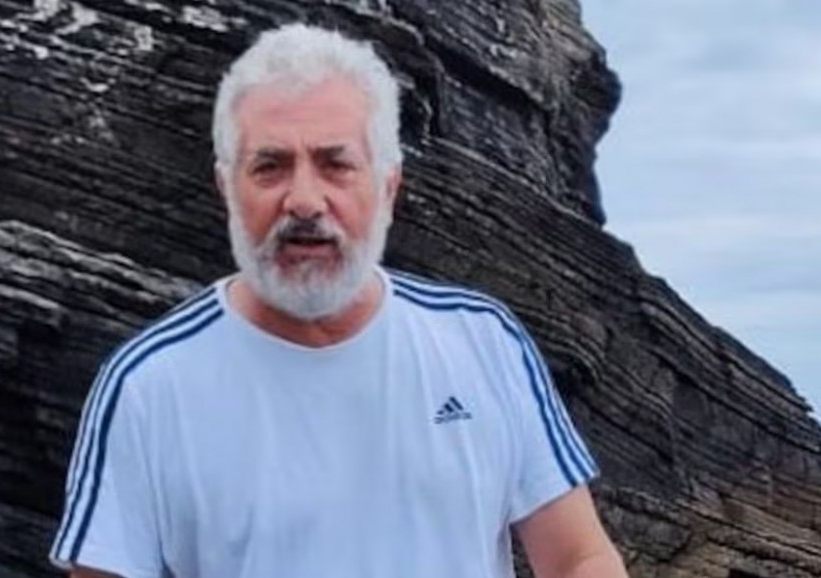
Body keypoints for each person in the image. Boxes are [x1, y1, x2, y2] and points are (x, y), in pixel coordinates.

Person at [47, 23, 627, 578]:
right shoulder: (147, 387)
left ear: (388, 186)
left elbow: (578, 560)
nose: (304, 200)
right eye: (270, 166)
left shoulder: (483, 341)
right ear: (226, 188)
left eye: (335, 164)